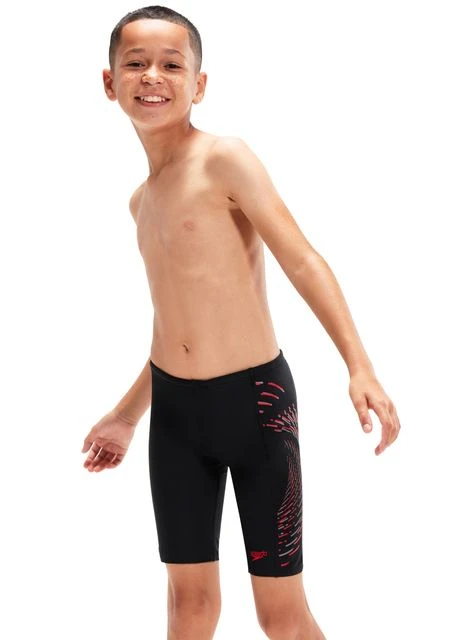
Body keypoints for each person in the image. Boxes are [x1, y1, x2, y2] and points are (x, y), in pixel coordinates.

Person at [81, 5, 401, 639]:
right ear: (110, 83)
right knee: (189, 607)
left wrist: (359, 364)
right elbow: (172, 325)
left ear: (199, 84)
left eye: (172, 65)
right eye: (136, 63)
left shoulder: (223, 158)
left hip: (255, 406)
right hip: (175, 417)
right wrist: (126, 415)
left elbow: (302, 259)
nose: (153, 76)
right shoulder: (141, 202)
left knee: (280, 616)